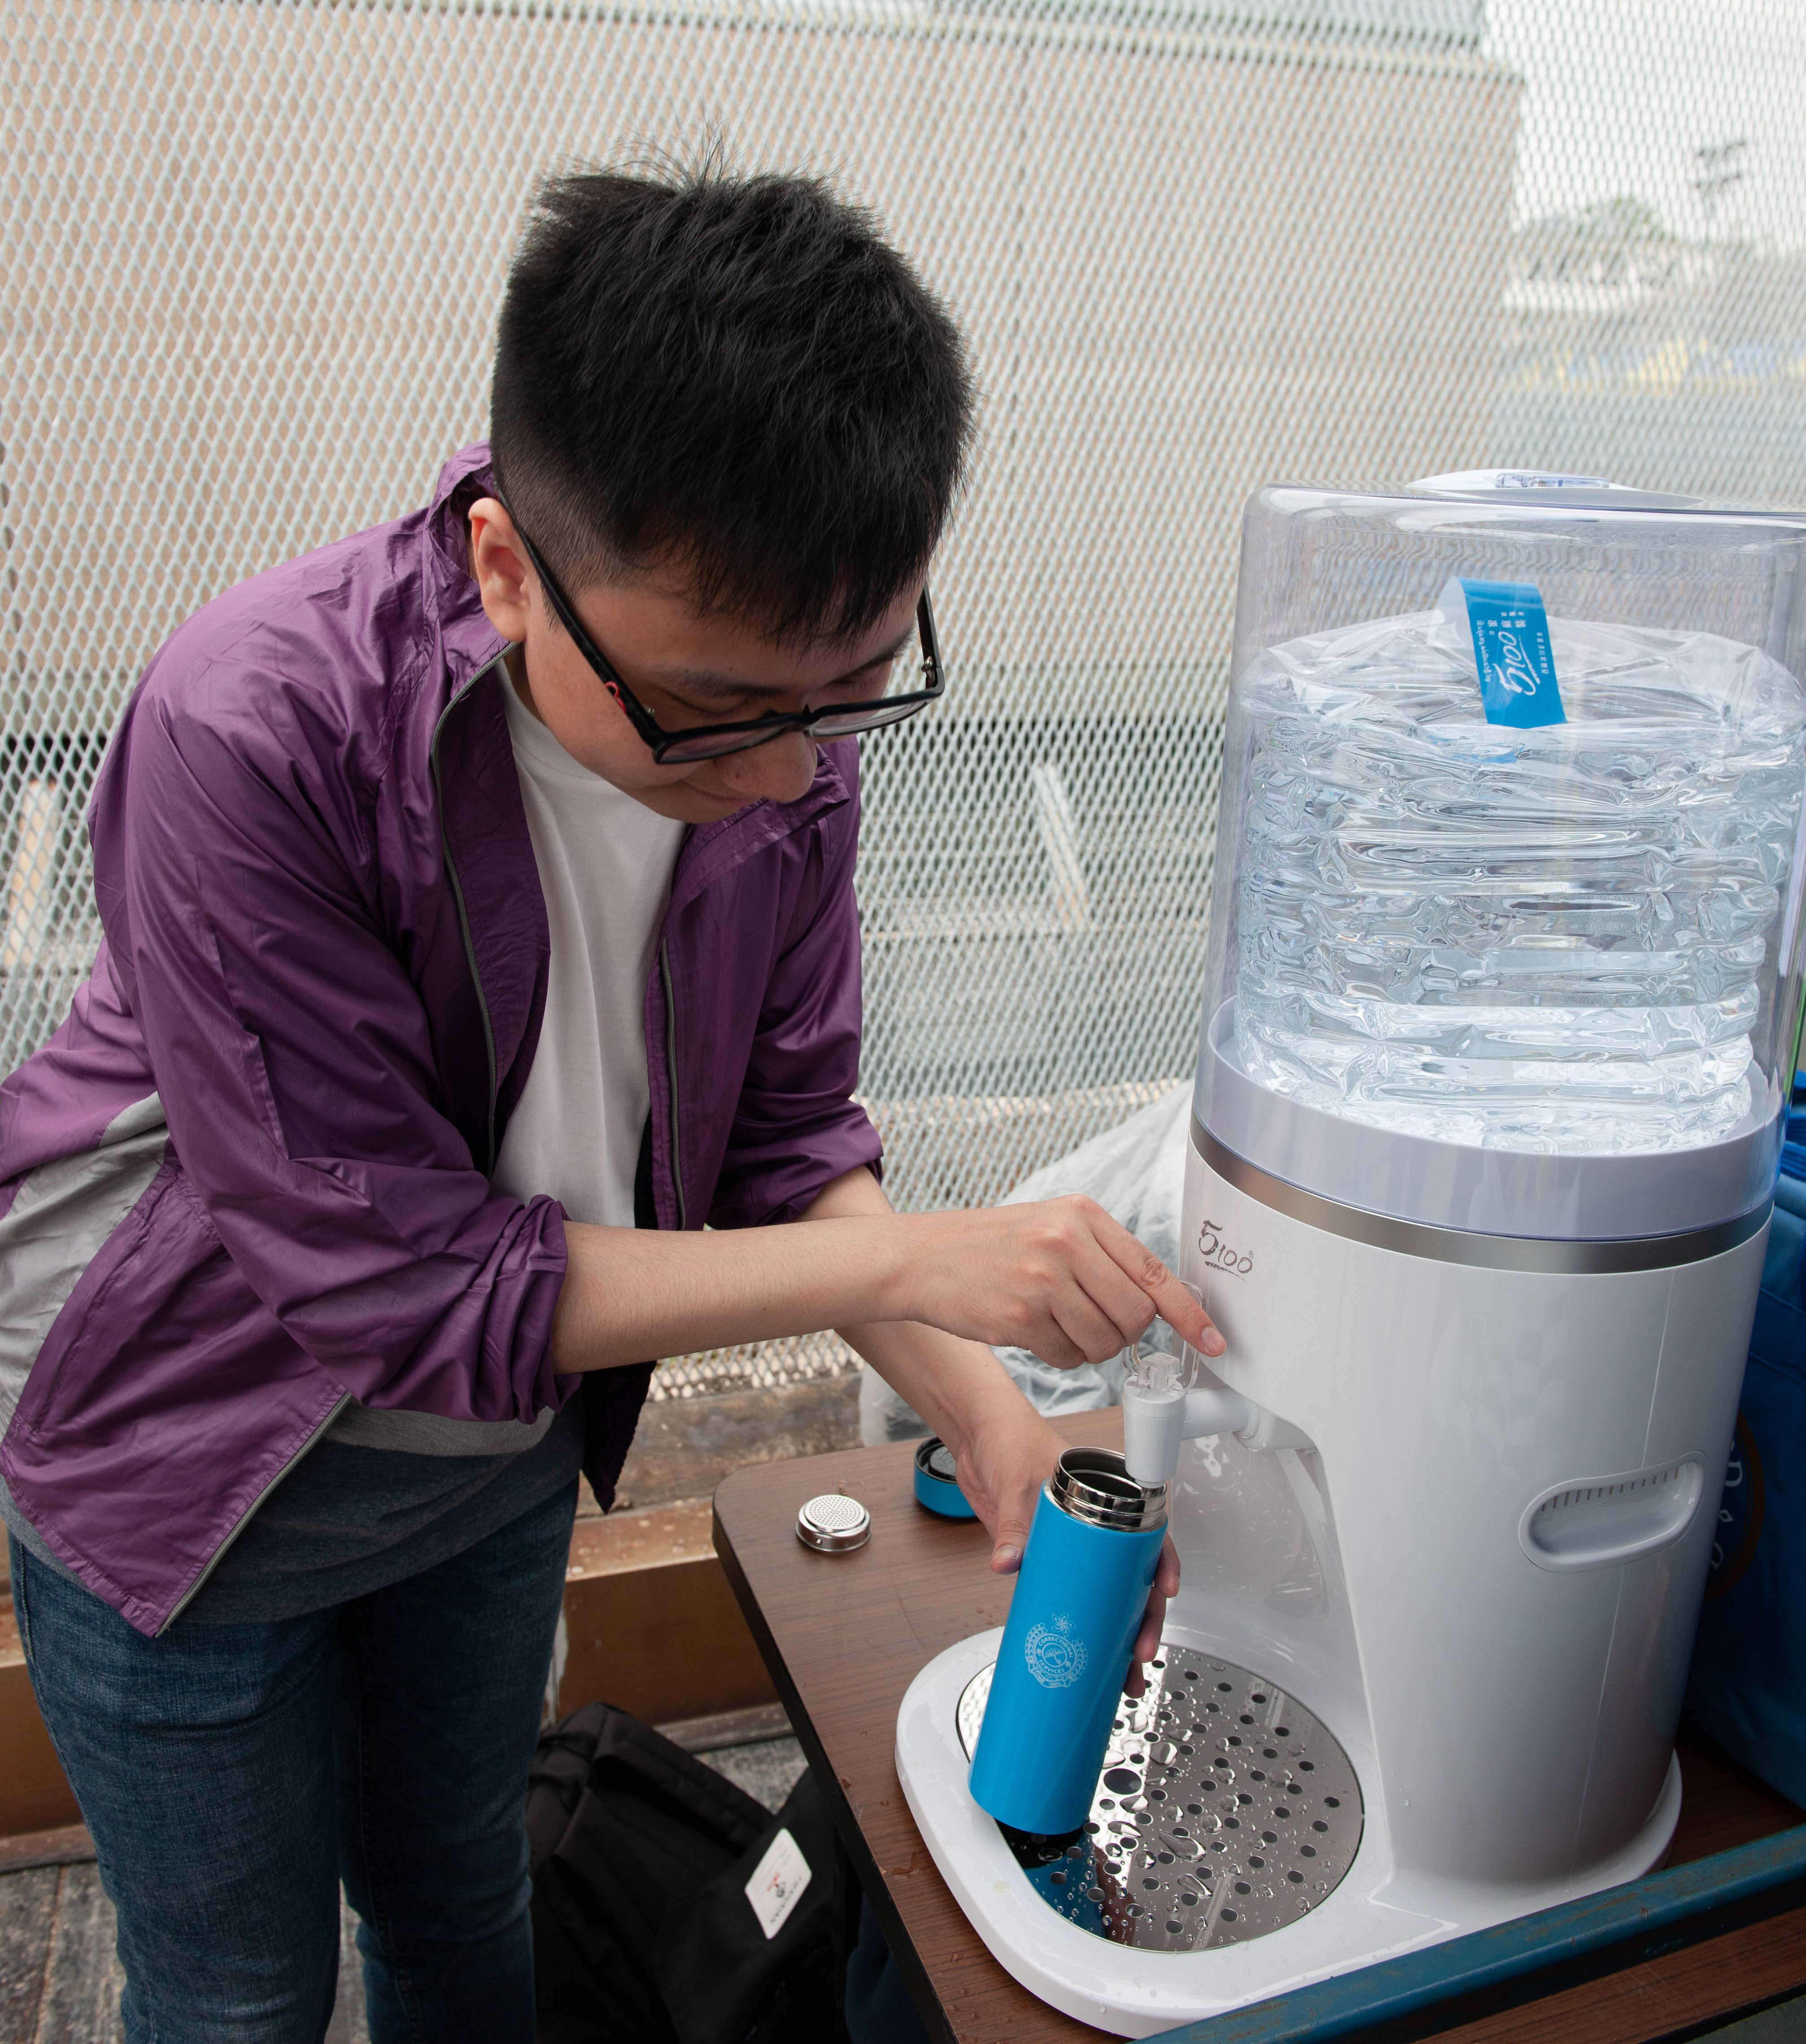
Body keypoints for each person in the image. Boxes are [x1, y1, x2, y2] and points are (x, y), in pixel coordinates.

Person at [0, 163, 1222, 2043]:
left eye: (859, 687)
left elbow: (785, 1136)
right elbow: (389, 1282)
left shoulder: (780, 728)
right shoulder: (252, 727)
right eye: (721, 711)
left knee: (464, 1902)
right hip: (184, 1470)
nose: (791, 773)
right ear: (507, 565)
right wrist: (929, 1261)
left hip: (486, 1468)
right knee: (238, 1997)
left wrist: (975, 1393)